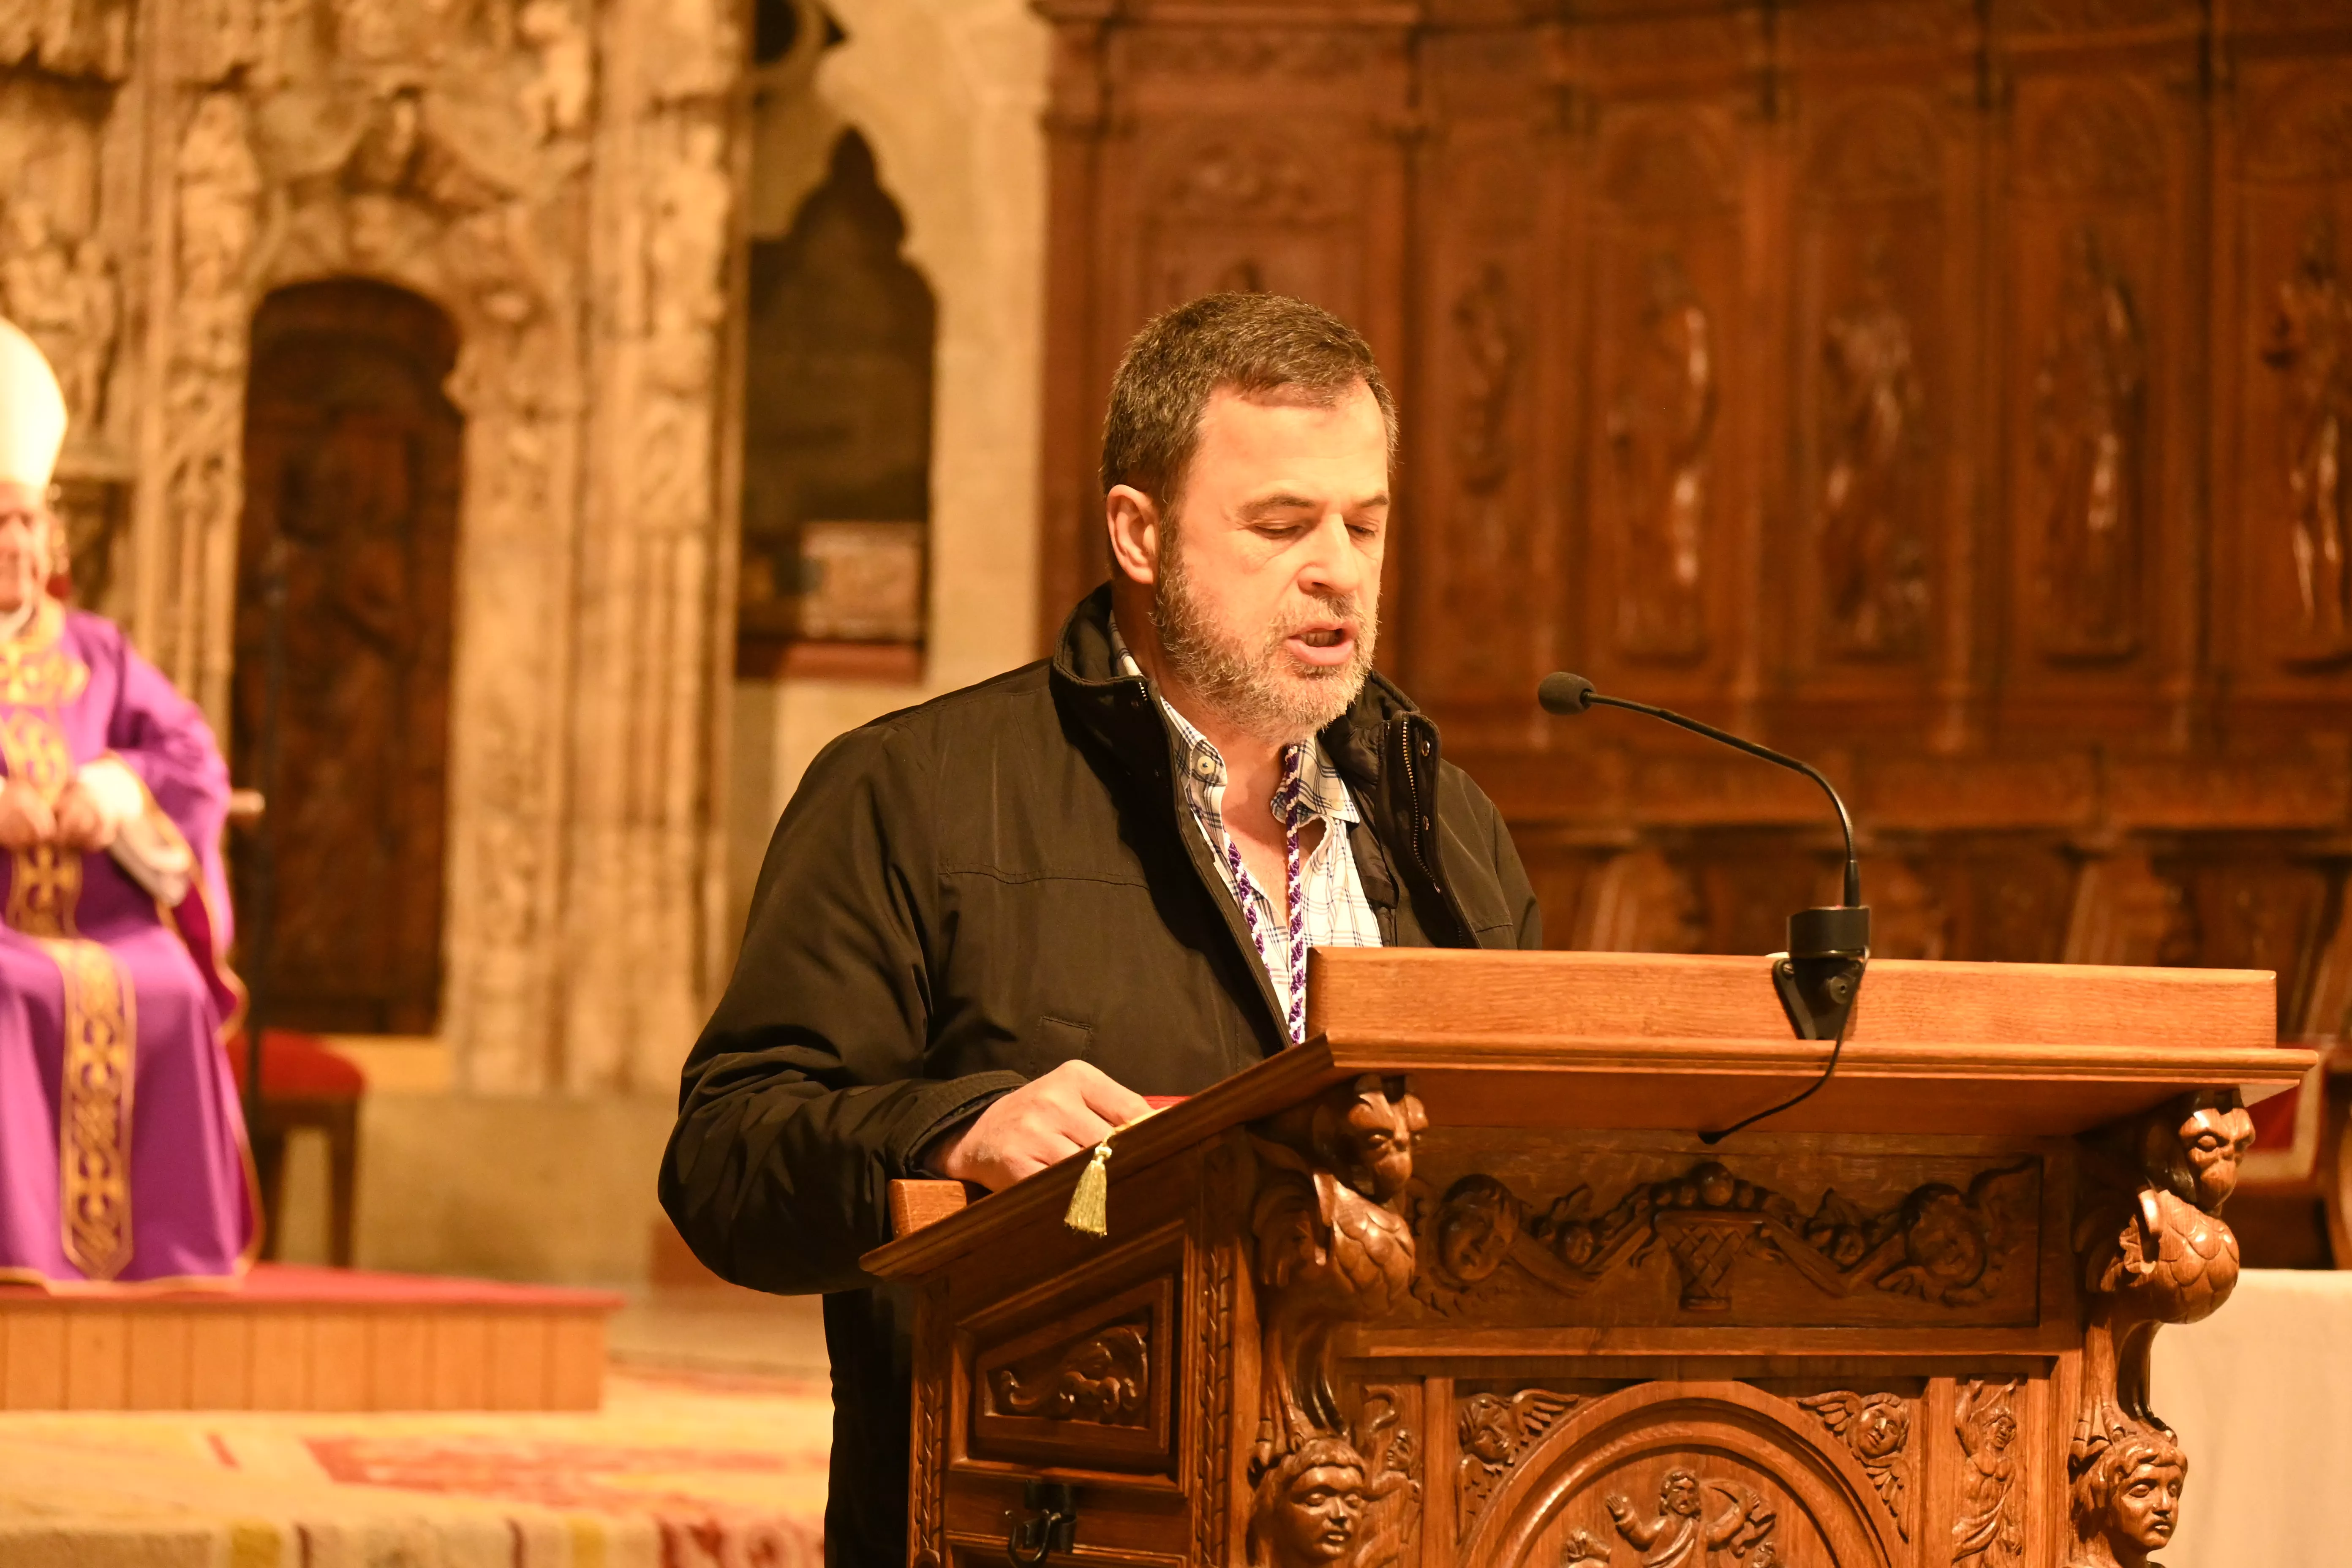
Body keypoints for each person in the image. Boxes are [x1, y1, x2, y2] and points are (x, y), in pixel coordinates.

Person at [661, 292, 1541, 1563]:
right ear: (1138, 531)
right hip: (1052, 1516)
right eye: (1282, 524)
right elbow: (725, 1162)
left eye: (1366, 524)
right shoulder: (917, 793)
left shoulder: (1444, 825)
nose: (1338, 568)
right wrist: (947, 1127)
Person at [0, 317, 252, 1287]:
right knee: (13, 993)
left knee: (173, 985)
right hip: (5, 932)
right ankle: (20, 1255)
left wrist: (111, 792)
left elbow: (191, 758)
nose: (15, 542)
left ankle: (172, 1258)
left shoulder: (95, 649)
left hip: (102, 918)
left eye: (27, 520)